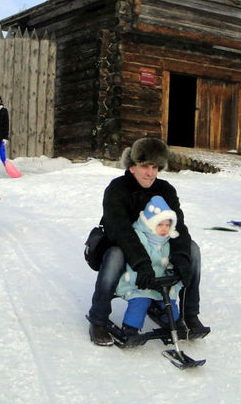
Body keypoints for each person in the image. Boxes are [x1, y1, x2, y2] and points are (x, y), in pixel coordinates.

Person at [87, 137, 206, 346]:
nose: (150, 173)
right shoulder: (117, 189)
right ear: (132, 167)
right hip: (123, 245)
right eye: (144, 166)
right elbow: (121, 231)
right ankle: (98, 319)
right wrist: (141, 263)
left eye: (154, 167)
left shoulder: (165, 190)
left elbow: (178, 225)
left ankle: (189, 314)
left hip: (158, 245)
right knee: (115, 255)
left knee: (193, 250)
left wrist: (181, 257)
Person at [115, 196, 182, 336]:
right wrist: (141, 276)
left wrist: (174, 271)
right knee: (140, 301)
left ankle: (171, 322)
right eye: (160, 225)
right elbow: (134, 258)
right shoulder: (140, 237)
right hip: (140, 280)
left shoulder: (168, 241)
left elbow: (170, 261)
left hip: (161, 283)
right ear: (151, 224)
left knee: (170, 304)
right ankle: (130, 327)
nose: (164, 229)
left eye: (167, 225)